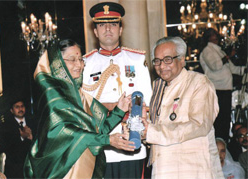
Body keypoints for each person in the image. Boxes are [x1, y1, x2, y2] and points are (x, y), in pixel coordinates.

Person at [24, 39, 135, 178]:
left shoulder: (82, 96)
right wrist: (108, 140)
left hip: (83, 168)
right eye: (72, 60)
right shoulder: (52, 95)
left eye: (81, 59)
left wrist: (119, 111)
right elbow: (66, 132)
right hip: (61, 170)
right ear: (57, 64)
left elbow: (96, 132)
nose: (79, 65)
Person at [82, 2, 152, 178]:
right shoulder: (85, 65)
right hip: (102, 147)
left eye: (113, 24)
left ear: (120, 30)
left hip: (132, 143)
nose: (107, 29)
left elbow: (148, 102)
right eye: (102, 25)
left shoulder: (137, 60)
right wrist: (114, 106)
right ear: (95, 31)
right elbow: (83, 108)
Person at [141, 36, 224, 178]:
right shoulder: (157, 86)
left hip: (192, 168)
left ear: (182, 60)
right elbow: (155, 125)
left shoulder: (199, 83)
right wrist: (141, 130)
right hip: (163, 167)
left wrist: (152, 133)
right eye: (157, 61)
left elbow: (199, 125)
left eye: (168, 59)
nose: (161, 66)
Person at [199, 28, 245, 141]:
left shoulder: (219, 50)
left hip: (226, 88)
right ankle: (218, 142)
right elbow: (216, 66)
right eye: (214, 34)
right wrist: (228, 56)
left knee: (226, 118)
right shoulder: (207, 51)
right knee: (219, 119)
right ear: (209, 37)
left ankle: (224, 142)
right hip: (217, 89)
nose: (217, 36)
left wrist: (244, 69)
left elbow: (232, 69)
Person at [0, 99, 35, 178]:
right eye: (17, 107)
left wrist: (32, 138)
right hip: (15, 168)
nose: (20, 109)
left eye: (22, 106)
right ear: (11, 110)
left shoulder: (33, 122)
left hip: (32, 166)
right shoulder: (5, 126)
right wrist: (22, 137)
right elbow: (6, 147)